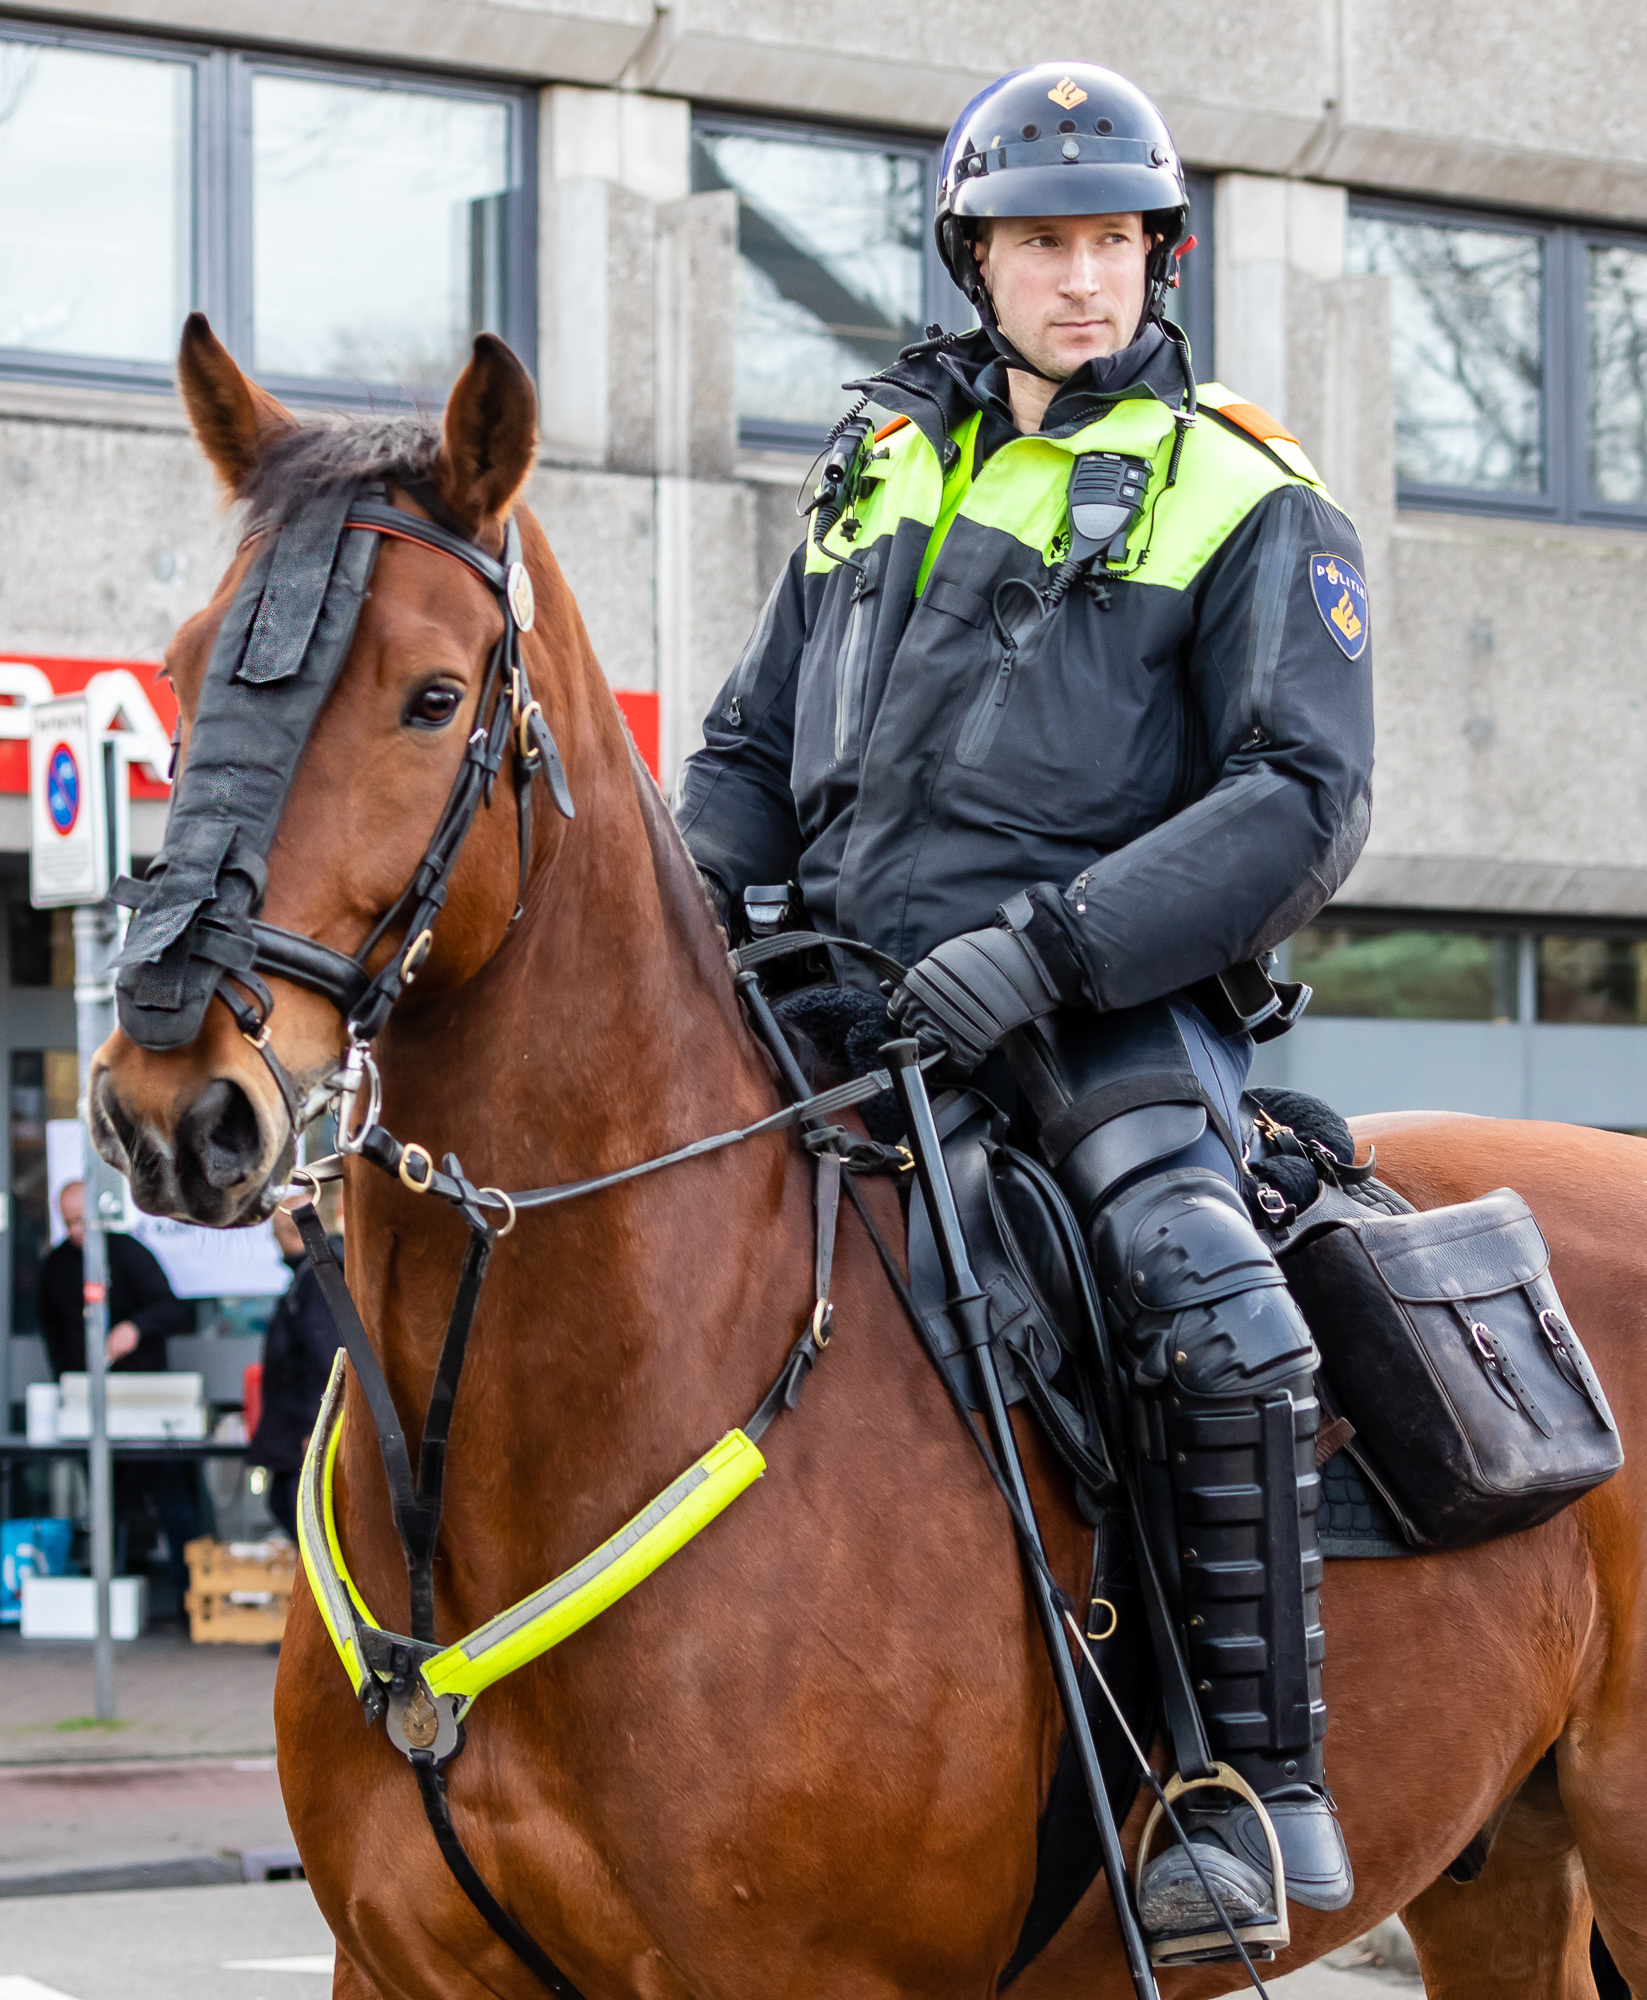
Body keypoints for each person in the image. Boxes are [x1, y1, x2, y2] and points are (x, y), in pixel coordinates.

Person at [675, 61, 1373, 1954]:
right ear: (971, 262)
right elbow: (742, 752)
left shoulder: (1244, 490)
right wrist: (699, 908)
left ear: (1160, 257)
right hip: (834, 998)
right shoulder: (876, 468)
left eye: (1111, 242)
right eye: (1039, 242)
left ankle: (1244, 1791)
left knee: (1202, 1294)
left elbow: (1300, 800)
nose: (1080, 277)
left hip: (1097, 1008)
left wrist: (1049, 950)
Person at [249, 1199, 344, 1542]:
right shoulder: (320, 1274)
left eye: (275, 1232)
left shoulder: (316, 1279)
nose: (274, 1241)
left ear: (291, 1232)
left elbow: (326, 1358)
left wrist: (314, 1428)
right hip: (300, 1429)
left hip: (303, 1433)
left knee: (304, 1520)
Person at [37, 1179, 193, 1379]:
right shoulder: (55, 1265)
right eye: (68, 1223)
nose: (75, 1230)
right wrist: (64, 1378)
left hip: (139, 1379)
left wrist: (135, 1327)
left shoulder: (127, 1251)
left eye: (80, 1220)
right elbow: (52, 1329)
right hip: (82, 1379)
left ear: (97, 1214)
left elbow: (170, 1307)